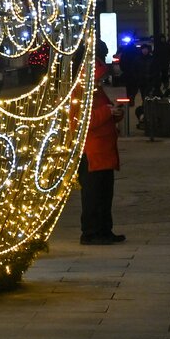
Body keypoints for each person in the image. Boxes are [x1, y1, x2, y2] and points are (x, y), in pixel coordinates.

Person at [75, 42, 125, 245]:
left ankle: (105, 230)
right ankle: (91, 232)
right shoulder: (80, 94)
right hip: (92, 152)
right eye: (99, 77)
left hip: (104, 151)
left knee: (105, 194)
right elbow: (82, 121)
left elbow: (104, 113)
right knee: (93, 195)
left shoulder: (97, 93)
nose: (101, 81)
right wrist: (108, 112)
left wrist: (115, 114)